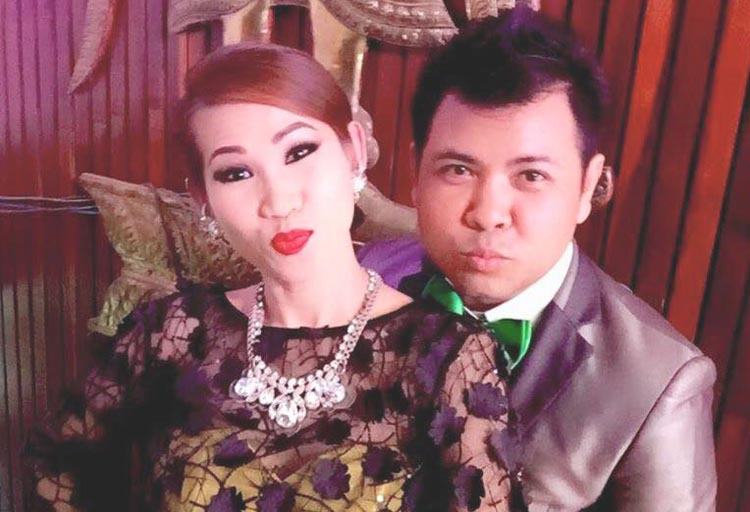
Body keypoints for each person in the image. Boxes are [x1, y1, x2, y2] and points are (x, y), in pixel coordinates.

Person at [25, 43, 520, 511]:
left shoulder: (447, 356)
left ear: (353, 149)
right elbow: (57, 461)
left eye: (299, 152)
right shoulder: (170, 333)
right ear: (204, 199)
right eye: (236, 173)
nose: (278, 201)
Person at [359, 8, 717, 511]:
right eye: (458, 169)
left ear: (587, 187)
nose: (488, 214)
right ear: (417, 174)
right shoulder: (368, 278)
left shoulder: (658, 385)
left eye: (531, 176)